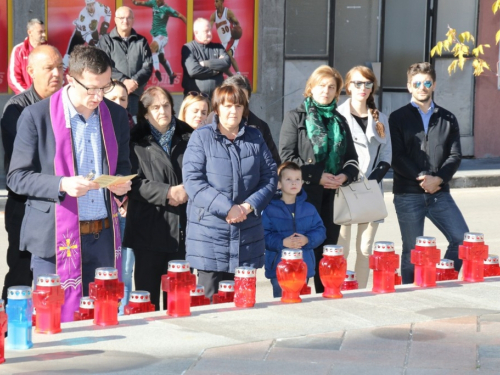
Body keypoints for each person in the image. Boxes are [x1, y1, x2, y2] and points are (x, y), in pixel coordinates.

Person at [7, 45, 131, 322]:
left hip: (103, 236)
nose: (99, 96)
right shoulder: (36, 116)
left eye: (105, 86)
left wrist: (120, 187)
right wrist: (62, 184)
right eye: (91, 88)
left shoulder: (116, 115)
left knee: (104, 318)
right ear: (70, 79)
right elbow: (17, 177)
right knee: (54, 323)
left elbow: (122, 165)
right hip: (54, 241)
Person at [183, 85, 277, 299]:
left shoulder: (255, 137)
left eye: (238, 105)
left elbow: (270, 177)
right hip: (210, 235)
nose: (233, 111)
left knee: (243, 302)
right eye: (227, 106)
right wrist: (228, 208)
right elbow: (193, 181)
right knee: (209, 304)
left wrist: (248, 206)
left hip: (246, 233)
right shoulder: (201, 137)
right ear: (216, 109)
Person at [279, 65, 358, 294]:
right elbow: (287, 157)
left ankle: (327, 293)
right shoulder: (296, 117)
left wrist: (345, 176)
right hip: (304, 196)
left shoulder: (340, 120)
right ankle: (297, 295)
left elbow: (352, 159)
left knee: (328, 249)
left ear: (337, 92)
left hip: (333, 196)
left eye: (331, 87)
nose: (326, 90)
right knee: (304, 249)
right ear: (311, 88)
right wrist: (316, 177)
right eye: (321, 85)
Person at [390, 62, 469, 284]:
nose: (422, 87)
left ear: (433, 85)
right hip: (408, 194)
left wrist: (439, 180)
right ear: (409, 86)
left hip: (439, 193)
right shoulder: (397, 118)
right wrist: (423, 178)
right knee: (412, 251)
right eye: (417, 83)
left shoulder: (448, 118)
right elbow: (396, 156)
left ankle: (443, 280)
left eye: (426, 83)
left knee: (462, 240)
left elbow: (455, 156)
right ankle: (409, 295)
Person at [1, 45, 64, 301]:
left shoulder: (70, 105)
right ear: (30, 72)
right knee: (21, 275)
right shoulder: (17, 110)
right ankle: (10, 332)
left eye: (60, 67)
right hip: (26, 206)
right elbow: (30, 165)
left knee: (59, 278)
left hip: (63, 204)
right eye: (49, 68)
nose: (57, 74)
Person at [123, 86, 193, 310]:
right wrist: (167, 192)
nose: (162, 111)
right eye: (155, 107)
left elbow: (203, 173)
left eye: (166, 105)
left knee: (179, 301)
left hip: (183, 229)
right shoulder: (134, 140)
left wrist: (187, 189)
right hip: (148, 230)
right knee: (147, 301)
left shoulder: (189, 136)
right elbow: (129, 182)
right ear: (145, 113)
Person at [336, 66, 392, 289]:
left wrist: (371, 181)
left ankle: (358, 292)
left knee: (365, 249)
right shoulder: (337, 115)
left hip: (370, 189)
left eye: (367, 84)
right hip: (342, 188)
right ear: (348, 86)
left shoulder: (381, 118)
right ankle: (334, 288)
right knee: (341, 248)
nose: (363, 88)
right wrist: (346, 177)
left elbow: (387, 156)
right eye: (357, 83)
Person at [262, 161, 326, 297]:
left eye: (297, 179)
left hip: (304, 266)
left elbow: (320, 231)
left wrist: (307, 239)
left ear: (302, 183)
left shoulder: (309, 208)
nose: (294, 183)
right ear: (279, 184)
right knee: (282, 303)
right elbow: (263, 235)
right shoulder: (269, 210)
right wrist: (282, 242)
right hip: (279, 268)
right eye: (288, 179)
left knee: (302, 302)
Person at [103, 79, 134, 315]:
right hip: (100, 212)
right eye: (113, 98)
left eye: (123, 99)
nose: (118, 104)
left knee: (125, 269)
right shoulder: (97, 127)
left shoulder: (134, 130)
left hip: (125, 210)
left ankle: (124, 313)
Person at [206, 75, 281, 165]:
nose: (235, 108)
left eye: (242, 101)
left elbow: (272, 164)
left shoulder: (259, 127)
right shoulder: (208, 125)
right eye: (232, 100)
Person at [98, 6, 153, 118]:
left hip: (136, 94)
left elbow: (148, 66)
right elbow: (104, 64)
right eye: (121, 18)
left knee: (135, 128)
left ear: (133, 20)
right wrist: (123, 81)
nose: (125, 21)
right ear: (115, 20)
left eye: (129, 18)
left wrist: (135, 81)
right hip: (113, 94)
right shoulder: (105, 41)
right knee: (114, 125)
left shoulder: (141, 41)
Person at [132, 0, 186, 84]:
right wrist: (135, 2)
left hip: (162, 36)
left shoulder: (167, 9)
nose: (156, 1)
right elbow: (141, 3)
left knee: (152, 47)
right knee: (161, 58)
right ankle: (171, 74)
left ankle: (156, 69)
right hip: (155, 36)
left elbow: (180, 15)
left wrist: (190, 27)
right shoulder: (153, 3)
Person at [181, 18, 231, 98]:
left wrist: (205, 63)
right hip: (195, 100)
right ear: (196, 33)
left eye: (210, 30)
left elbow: (226, 63)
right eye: (206, 31)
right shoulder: (188, 48)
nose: (210, 33)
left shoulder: (218, 47)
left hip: (216, 100)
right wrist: (215, 70)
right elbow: (194, 71)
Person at [62, 0, 111, 70]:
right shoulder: (83, 15)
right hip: (80, 33)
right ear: (86, 5)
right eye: (88, 5)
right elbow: (84, 33)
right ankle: (62, 72)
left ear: (95, 3)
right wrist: (90, 41)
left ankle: (99, 72)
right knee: (69, 55)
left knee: (98, 53)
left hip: (93, 30)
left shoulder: (100, 7)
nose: (90, 7)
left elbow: (108, 12)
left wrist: (106, 24)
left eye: (92, 4)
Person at [7, 18, 47, 94]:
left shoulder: (49, 50)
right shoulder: (18, 50)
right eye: (40, 32)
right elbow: (13, 78)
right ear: (30, 32)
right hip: (26, 99)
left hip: (45, 99)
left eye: (44, 31)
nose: (44, 35)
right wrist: (27, 95)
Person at [210, 0, 240, 75]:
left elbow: (237, 23)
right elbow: (209, 27)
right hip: (224, 42)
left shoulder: (228, 12)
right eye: (214, 2)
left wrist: (237, 30)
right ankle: (232, 77)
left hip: (232, 38)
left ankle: (239, 75)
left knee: (228, 54)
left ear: (222, 1)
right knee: (221, 61)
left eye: (217, 1)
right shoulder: (214, 16)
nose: (215, 3)